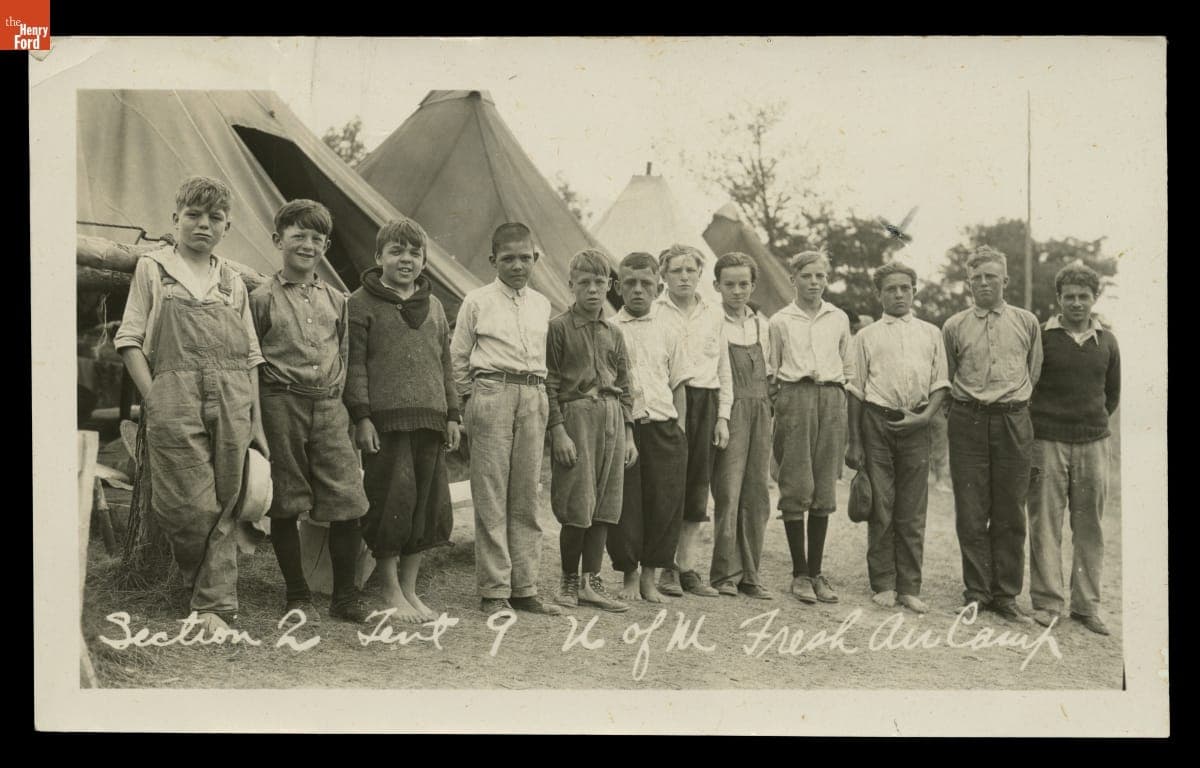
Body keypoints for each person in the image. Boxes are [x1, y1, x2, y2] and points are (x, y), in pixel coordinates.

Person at [114, 175, 268, 633]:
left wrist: (256, 419)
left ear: (227, 226)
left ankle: (214, 607)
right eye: (194, 216)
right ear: (175, 219)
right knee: (186, 505)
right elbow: (129, 339)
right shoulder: (153, 268)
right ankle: (205, 594)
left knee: (226, 498)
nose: (204, 225)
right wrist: (156, 397)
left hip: (232, 392)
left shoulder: (232, 280)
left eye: (215, 218)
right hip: (174, 394)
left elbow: (251, 354)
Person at [250, 199, 372, 624]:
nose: (307, 244)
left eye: (316, 238)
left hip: (330, 407)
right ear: (277, 239)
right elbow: (253, 358)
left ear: (326, 246)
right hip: (280, 403)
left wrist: (351, 413)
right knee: (286, 499)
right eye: (297, 235)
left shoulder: (338, 300)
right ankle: (297, 593)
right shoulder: (261, 298)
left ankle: (345, 596)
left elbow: (346, 355)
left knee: (347, 499)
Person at [346, 216, 460, 623]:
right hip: (386, 424)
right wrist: (362, 417)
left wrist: (452, 415)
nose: (406, 259)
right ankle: (388, 587)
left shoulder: (435, 307)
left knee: (426, 507)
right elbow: (354, 366)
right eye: (396, 251)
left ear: (425, 259)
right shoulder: (360, 303)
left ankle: (410, 589)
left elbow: (445, 365)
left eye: (414, 252)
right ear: (379, 257)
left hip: (431, 421)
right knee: (392, 501)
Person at [450, 223, 564, 616]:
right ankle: (495, 590)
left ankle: (525, 587)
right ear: (492, 260)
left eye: (525, 258)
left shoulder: (542, 304)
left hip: (533, 394)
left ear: (536, 258)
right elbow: (458, 358)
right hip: (492, 393)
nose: (518, 265)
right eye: (508, 258)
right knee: (492, 493)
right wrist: (471, 401)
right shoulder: (477, 300)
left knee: (527, 495)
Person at [942, 246, 1043, 624]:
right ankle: (977, 592)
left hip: (1013, 420)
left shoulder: (1026, 321)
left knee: (1010, 511)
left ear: (1005, 280)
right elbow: (949, 374)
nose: (984, 283)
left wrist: (1010, 405)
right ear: (968, 283)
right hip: (967, 419)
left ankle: (1006, 595)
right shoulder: (954, 325)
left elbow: (1033, 372)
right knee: (971, 511)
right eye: (976, 278)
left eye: (991, 276)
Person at [845, 261, 950, 614]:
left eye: (905, 288)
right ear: (879, 295)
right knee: (882, 505)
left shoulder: (931, 333)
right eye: (891, 289)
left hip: (917, 423)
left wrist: (923, 417)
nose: (899, 294)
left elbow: (940, 384)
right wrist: (855, 441)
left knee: (912, 509)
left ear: (914, 291)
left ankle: (909, 586)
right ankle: (884, 583)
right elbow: (856, 391)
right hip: (878, 421)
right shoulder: (866, 336)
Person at [1027, 263, 1120, 635]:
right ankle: (1048, 603)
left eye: (1084, 297)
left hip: (1093, 444)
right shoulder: (1043, 337)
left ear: (1094, 299)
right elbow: (1029, 385)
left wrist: (1088, 424)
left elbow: (1111, 394)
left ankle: (1086, 606)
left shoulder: (1109, 341)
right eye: (1070, 297)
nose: (1077, 303)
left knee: (1089, 526)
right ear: (1059, 300)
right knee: (1045, 523)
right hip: (1046, 441)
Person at [546, 249, 638, 612]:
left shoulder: (614, 333)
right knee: (577, 501)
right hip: (576, 418)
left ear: (610, 286)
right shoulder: (558, 328)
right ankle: (569, 579)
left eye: (599, 283)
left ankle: (591, 581)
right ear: (570, 286)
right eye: (583, 283)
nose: (592, 290)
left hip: (613, 420)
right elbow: (549, 384)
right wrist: (558, 431)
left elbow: (627, 385)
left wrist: (629, 434)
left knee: (604, 502)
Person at [768, 251, 852, 605]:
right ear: (794, 279)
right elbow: (773, 369)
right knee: (797, 483)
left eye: (820, 276)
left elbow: (847, 365)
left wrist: (837, 398)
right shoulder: (780, 320)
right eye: (807, 276)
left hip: (831, 398)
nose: (814, 282)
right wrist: (786, 403)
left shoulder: (839, 317)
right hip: (795, 397)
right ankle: (799, 573)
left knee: (823, 488)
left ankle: (816, 572)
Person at [608, 252, 690, 603]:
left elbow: (679, 384)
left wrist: (680, 430)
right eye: (630, 283)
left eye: (645, 283)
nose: (638, 290)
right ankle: (628, 576)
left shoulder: (671, 328)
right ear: (618, 286)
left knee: (664, 504)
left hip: (664, 427)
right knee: (627, 505)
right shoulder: (610, 328)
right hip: (627, 428)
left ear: (658, 285)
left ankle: (650, 579)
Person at [651, 244, 732, 598]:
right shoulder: (655, 312)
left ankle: (686, 568)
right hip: (668, 404)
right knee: (668, 486)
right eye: (676, 271)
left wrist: (723, 418)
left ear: (700, 274)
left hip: (706, 402)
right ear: (663, 276)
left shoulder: (714, 314)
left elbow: (724, 370)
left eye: (690, 270)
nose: (684, 277)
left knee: (698, 487)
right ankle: (662, 565)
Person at [709, 252, 775, 600]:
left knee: (757, 494)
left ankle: (751, 574)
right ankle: (724, 574)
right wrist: (721, 416)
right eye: (729, 284)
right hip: (730, 409)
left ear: (753, 285)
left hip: (761, 411)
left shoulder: (762, 325)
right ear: (717, 285)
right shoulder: (713, 321)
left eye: (743, 284)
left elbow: (773, 369)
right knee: (729, 492)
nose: (737, 291)